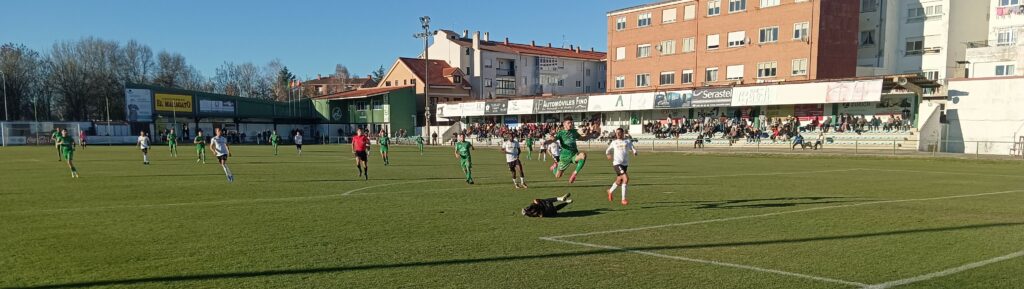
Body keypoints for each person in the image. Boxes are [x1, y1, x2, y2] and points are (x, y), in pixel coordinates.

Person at [551, 117, 589, 183]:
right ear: (564, 124)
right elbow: (554, 139)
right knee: (558, 176)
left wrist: (589, 135)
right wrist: (551, 138)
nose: (570, 124)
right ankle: (554, 167)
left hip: (574, 154)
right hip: (564, 157)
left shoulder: (574, 131)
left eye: (571, 123)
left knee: (583, 155)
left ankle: (574, 174)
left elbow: (582, 138)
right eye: (568, 123)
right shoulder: (561, 133)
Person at [606, 128, 637, 205]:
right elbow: (607, 150)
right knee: (625, 179)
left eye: (620, 132)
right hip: (617, 163)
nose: (618, 134)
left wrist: (635, 152)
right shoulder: (614, 142)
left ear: (623, 133)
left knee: (619, 180)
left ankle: (610, 191)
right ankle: (623, 199)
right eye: (617, 133)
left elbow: (633, 149)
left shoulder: (627, 141)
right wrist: (608, 154)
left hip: (625, 164)